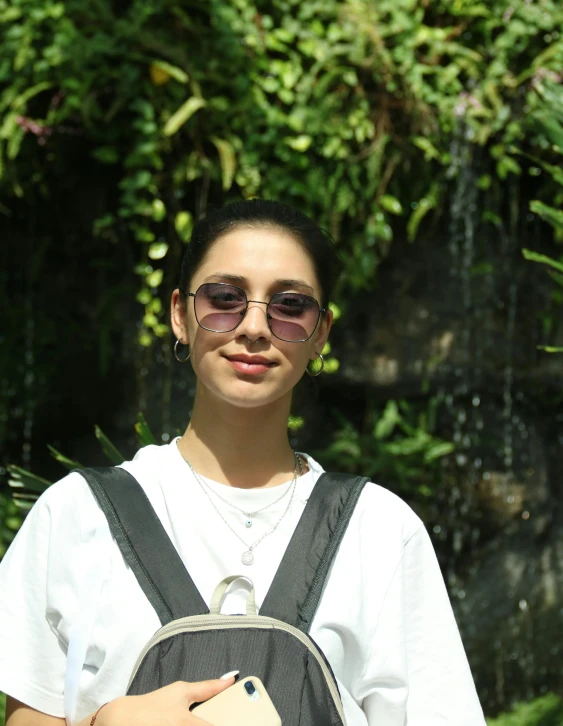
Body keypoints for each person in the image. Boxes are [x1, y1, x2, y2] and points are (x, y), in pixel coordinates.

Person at [0, 199, 486, 726]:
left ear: (320, 332)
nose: (254, 326)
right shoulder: (77, 515)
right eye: (225, 298)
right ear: (180, 315)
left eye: (290, 305)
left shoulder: (380, 529)